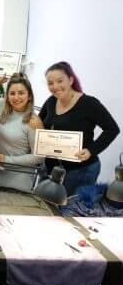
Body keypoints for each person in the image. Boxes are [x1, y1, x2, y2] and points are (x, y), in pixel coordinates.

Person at [39, 61, 119, 195]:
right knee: (51, 209)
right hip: (54, 170)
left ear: (70, 80)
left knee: (70, 211)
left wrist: (91, 150)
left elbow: (112, 129)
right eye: (50, 83)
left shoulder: (89, 103)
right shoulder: (51, 101)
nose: (55, 86)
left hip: (82, 170)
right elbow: (39, 124)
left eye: (60, 81)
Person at [0, 73, 44, 191]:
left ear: (29, 96)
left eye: (21, 93)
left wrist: (8, 160)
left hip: (18, 176)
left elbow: (39, 157)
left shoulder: (33, 121)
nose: (16, 97)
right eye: (12, 93)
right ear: (7, 96)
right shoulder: (1, 106)